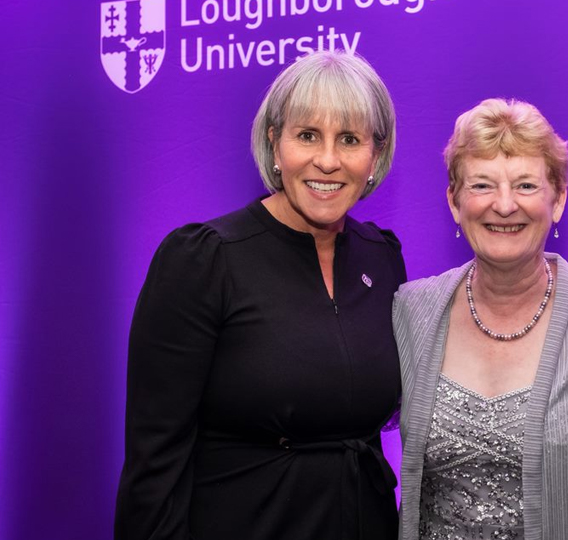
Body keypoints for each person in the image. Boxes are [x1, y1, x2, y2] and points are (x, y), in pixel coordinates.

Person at [115, 50, 405, 540]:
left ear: (374, 156)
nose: (328, 160)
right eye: (307, 135)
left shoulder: (383, 257)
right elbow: (154, 462)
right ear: (275, 142)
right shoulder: (204, 260)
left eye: (349, 139)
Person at [392, 98, 568, 540]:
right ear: (454, 201)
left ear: (558, 199)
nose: (504, 206)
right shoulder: (411, 311)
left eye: (526, 185)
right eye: (482, 185)